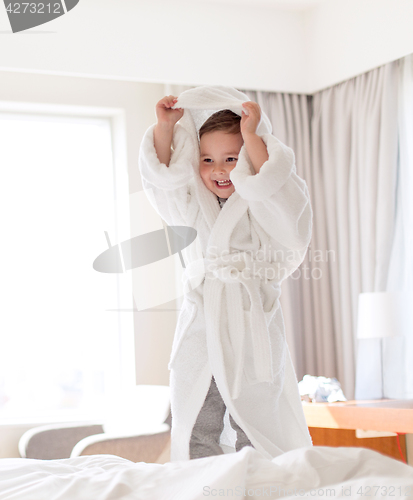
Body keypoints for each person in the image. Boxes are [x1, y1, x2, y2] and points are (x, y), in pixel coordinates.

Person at [139, 85, 313, 462]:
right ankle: (203, 481)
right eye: (206, 160)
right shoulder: (193, 204)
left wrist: (252, 135)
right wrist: (165, 128)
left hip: (249, 322)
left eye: (232, 158)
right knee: (197, 414)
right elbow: (163, 184)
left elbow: (284, 204)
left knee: (255, 417)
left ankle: (260, 481)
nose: (218, 169)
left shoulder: (260, 205)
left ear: (250, 162)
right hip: (203, 321)